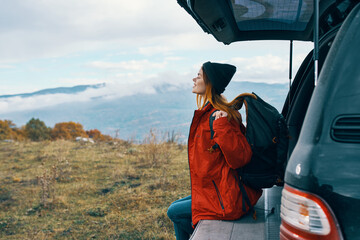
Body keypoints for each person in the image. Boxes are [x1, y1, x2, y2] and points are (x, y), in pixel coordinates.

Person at [167, 61, 262, 240]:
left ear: (210, 83)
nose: (194, 79)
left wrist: (221, 126)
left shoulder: (221, 116)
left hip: (227, 198)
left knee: (174, 212)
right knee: (177, 206)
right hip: (216, 188)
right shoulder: (207, 112)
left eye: (199, 76)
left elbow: (240, 158)